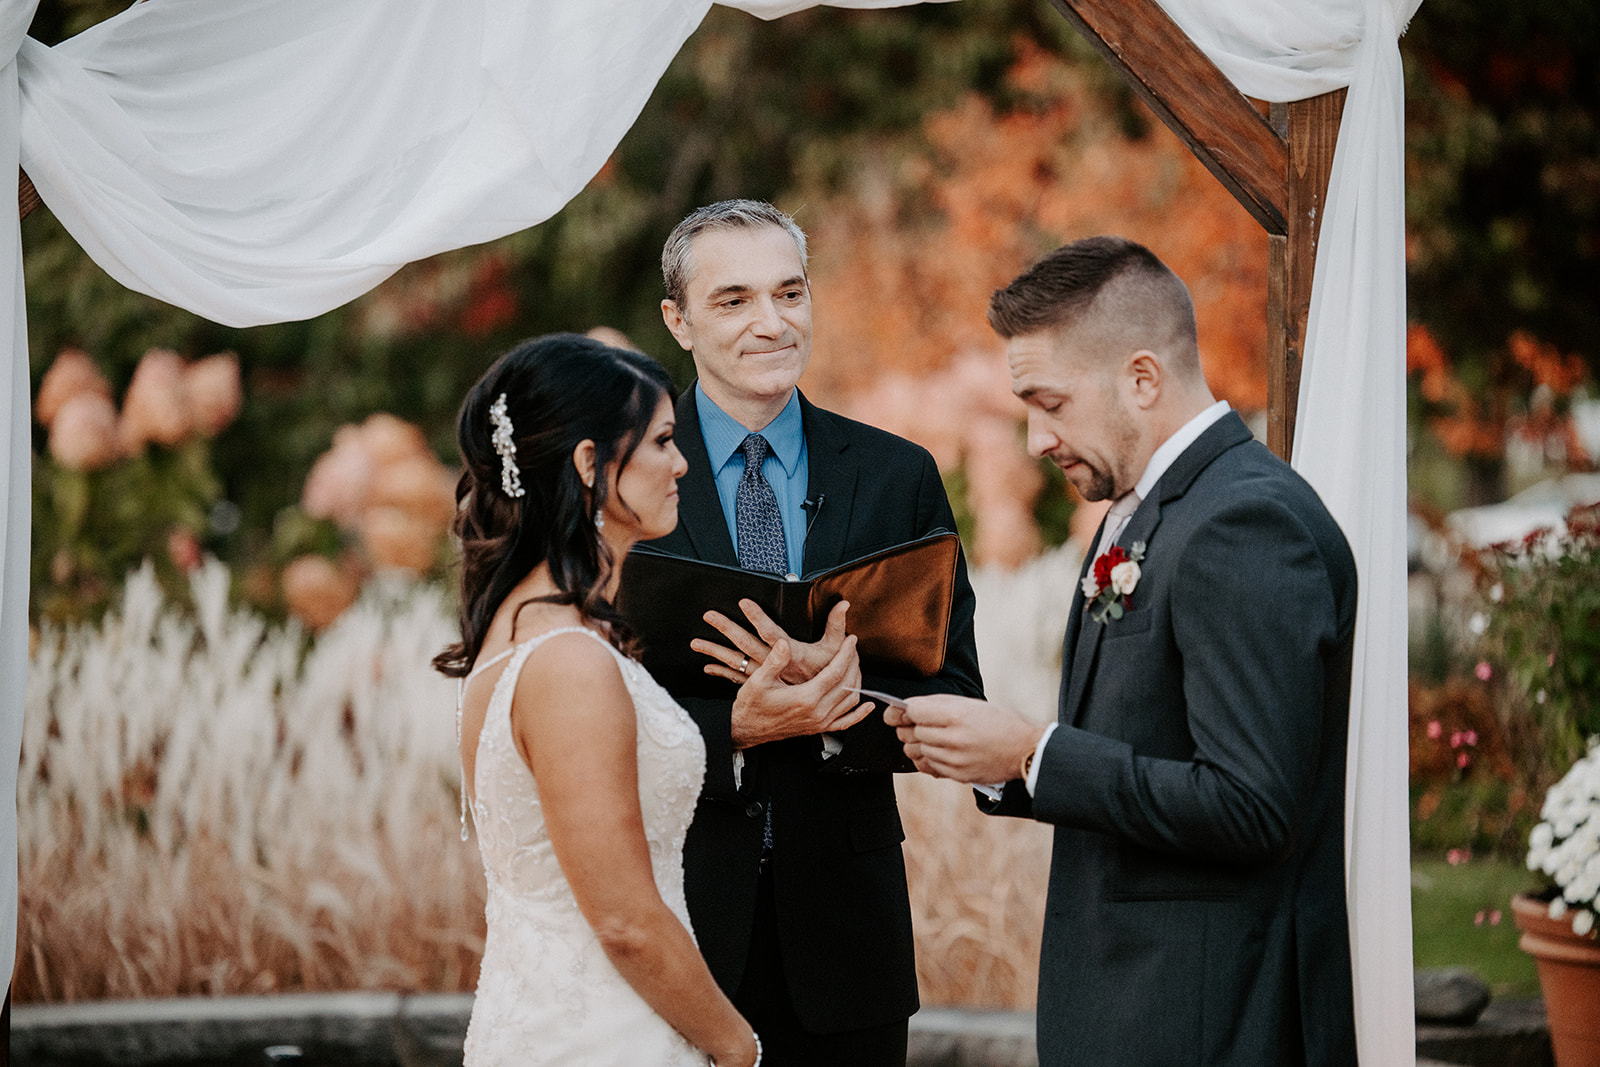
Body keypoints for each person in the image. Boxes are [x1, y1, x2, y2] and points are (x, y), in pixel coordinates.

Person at [888, 237, 1359, 1066]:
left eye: (1051, 403)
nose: (1036, 438)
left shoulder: (1242, 523)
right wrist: (1007, 759)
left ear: (1142, 378)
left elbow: (1252, 805)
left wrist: (1037, 753)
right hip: (1143, 1012)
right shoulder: (1155, 511)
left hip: (1212, 1021)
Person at [638, 200, 984, 1066]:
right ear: (678, 320)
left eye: (790, 292)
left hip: (848, 947)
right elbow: (590, 702)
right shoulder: (629, 475)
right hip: (676, 929)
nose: (772, 321)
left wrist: (840, 706)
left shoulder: (896, 476)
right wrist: (736, 730)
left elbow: (952, 691)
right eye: (734, 300)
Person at [434, 333, 761, 1067]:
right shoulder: (567, 661)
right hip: (604, 1038)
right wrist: (738, 1047)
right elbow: (623, 920)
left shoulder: (527, 634)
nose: (682, 464)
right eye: (663, 441)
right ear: (590, 464)